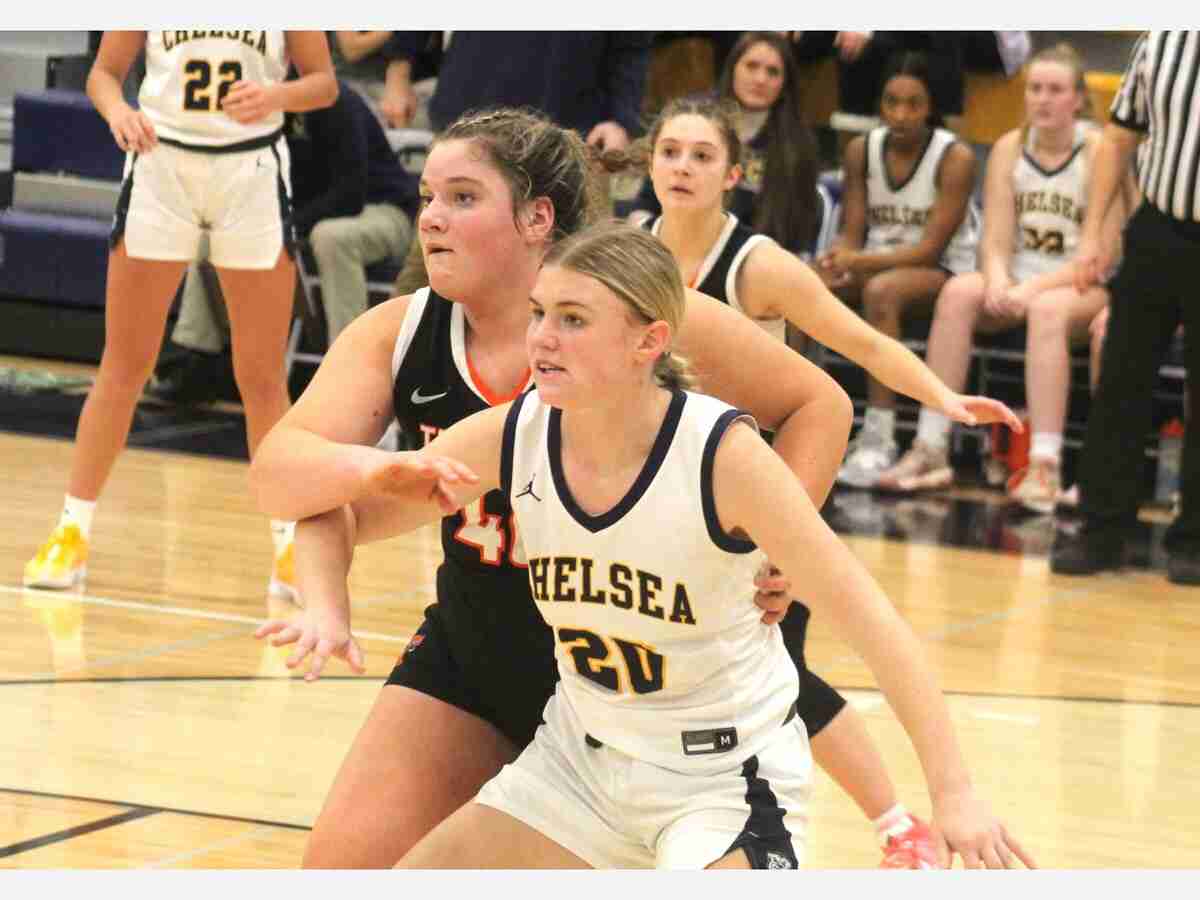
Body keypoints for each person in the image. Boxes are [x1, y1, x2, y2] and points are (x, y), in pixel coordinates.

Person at [267, 223, 1035, 870]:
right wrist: (331, 585)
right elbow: (329, 510)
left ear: (649, 341)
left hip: (722, 781)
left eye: (573, 319)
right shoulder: (514, 434)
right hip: (577, 763)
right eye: (539, 313)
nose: (541, 338)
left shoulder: (722, 457)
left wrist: (954, 793)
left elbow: (877, 628)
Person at [249, 106, 863, 870]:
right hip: (476, 656)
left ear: (537, 218)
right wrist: (363, 495)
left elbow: (818, 403)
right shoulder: (399, 332)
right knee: (340, 869)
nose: (430, 218)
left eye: (462, 198)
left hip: (632, 680)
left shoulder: (635, 317)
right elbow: (286, 477)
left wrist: (781, 550)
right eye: (428, 197)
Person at [632, 93, 1021, 865]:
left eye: (702, 155)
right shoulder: (625, 252)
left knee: (778, 670)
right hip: (658, 498)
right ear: (649, 163)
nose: (682, 167)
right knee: (730, 671)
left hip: (763, 495)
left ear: (734, 174)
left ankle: (894, 825)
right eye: (670, 152)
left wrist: (942, 399)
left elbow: (863, 344)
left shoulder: (759, 266)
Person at [22, 30, 337, 596]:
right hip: (160, 164)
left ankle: (290, 543)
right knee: (124, 364)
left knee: (262, 375)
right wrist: (119, 112)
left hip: (251, 172)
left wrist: (276, 97)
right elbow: (103, 75)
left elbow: (324, 85)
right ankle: (71, 529)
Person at [875, 43, 1136, 514]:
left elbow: (1098, 257)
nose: (1043, 99)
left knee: (1048, 311)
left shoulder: (1099, 152)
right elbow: (994, 238)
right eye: (1035, 88)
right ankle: (930, 447)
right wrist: (997, 280)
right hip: (1017, 280)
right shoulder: (1009, 148)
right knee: (959, 292)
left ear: (1078, 98)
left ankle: (1044, 464)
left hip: (1076, 287)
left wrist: (1028, 290)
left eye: (1055, 90)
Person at [147, 74, 420, 404]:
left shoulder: (338, 102)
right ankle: (198, 358)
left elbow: (349, 194)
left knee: (331, 237)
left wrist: (283, 225)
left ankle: (349, 372)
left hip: (383, 209)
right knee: (212, 234)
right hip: (308, 215)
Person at [1051, 31, 1200, 585]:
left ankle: (1195, 540)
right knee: (1119, 380)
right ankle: (1102, 530)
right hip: (1157, 229)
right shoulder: (1161, 38)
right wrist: (1094, 235)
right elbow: (1117, 139)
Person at [817, 51, 982, 489]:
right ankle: (791, 419)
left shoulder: (955, 157)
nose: (901, 114)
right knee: (803, 283)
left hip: (942, 272)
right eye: (892, 102)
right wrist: (837, 258)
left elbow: (929, 250)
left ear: (931, 107)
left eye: (913, 104)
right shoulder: (861, 150)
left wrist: (859, 261)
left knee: (882, 292)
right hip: (876, 264)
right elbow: (853, 233)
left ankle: (880, 435)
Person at [629, 32, 829, 260]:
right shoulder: (692, 117)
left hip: (757, 262)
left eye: (773, 72)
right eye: (751, 66)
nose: (760, 79)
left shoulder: (800, 144)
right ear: (733, 67)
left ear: (785, 83)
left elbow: (799, 233)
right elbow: (644, 206)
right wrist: (646, 247)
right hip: (672, 253)